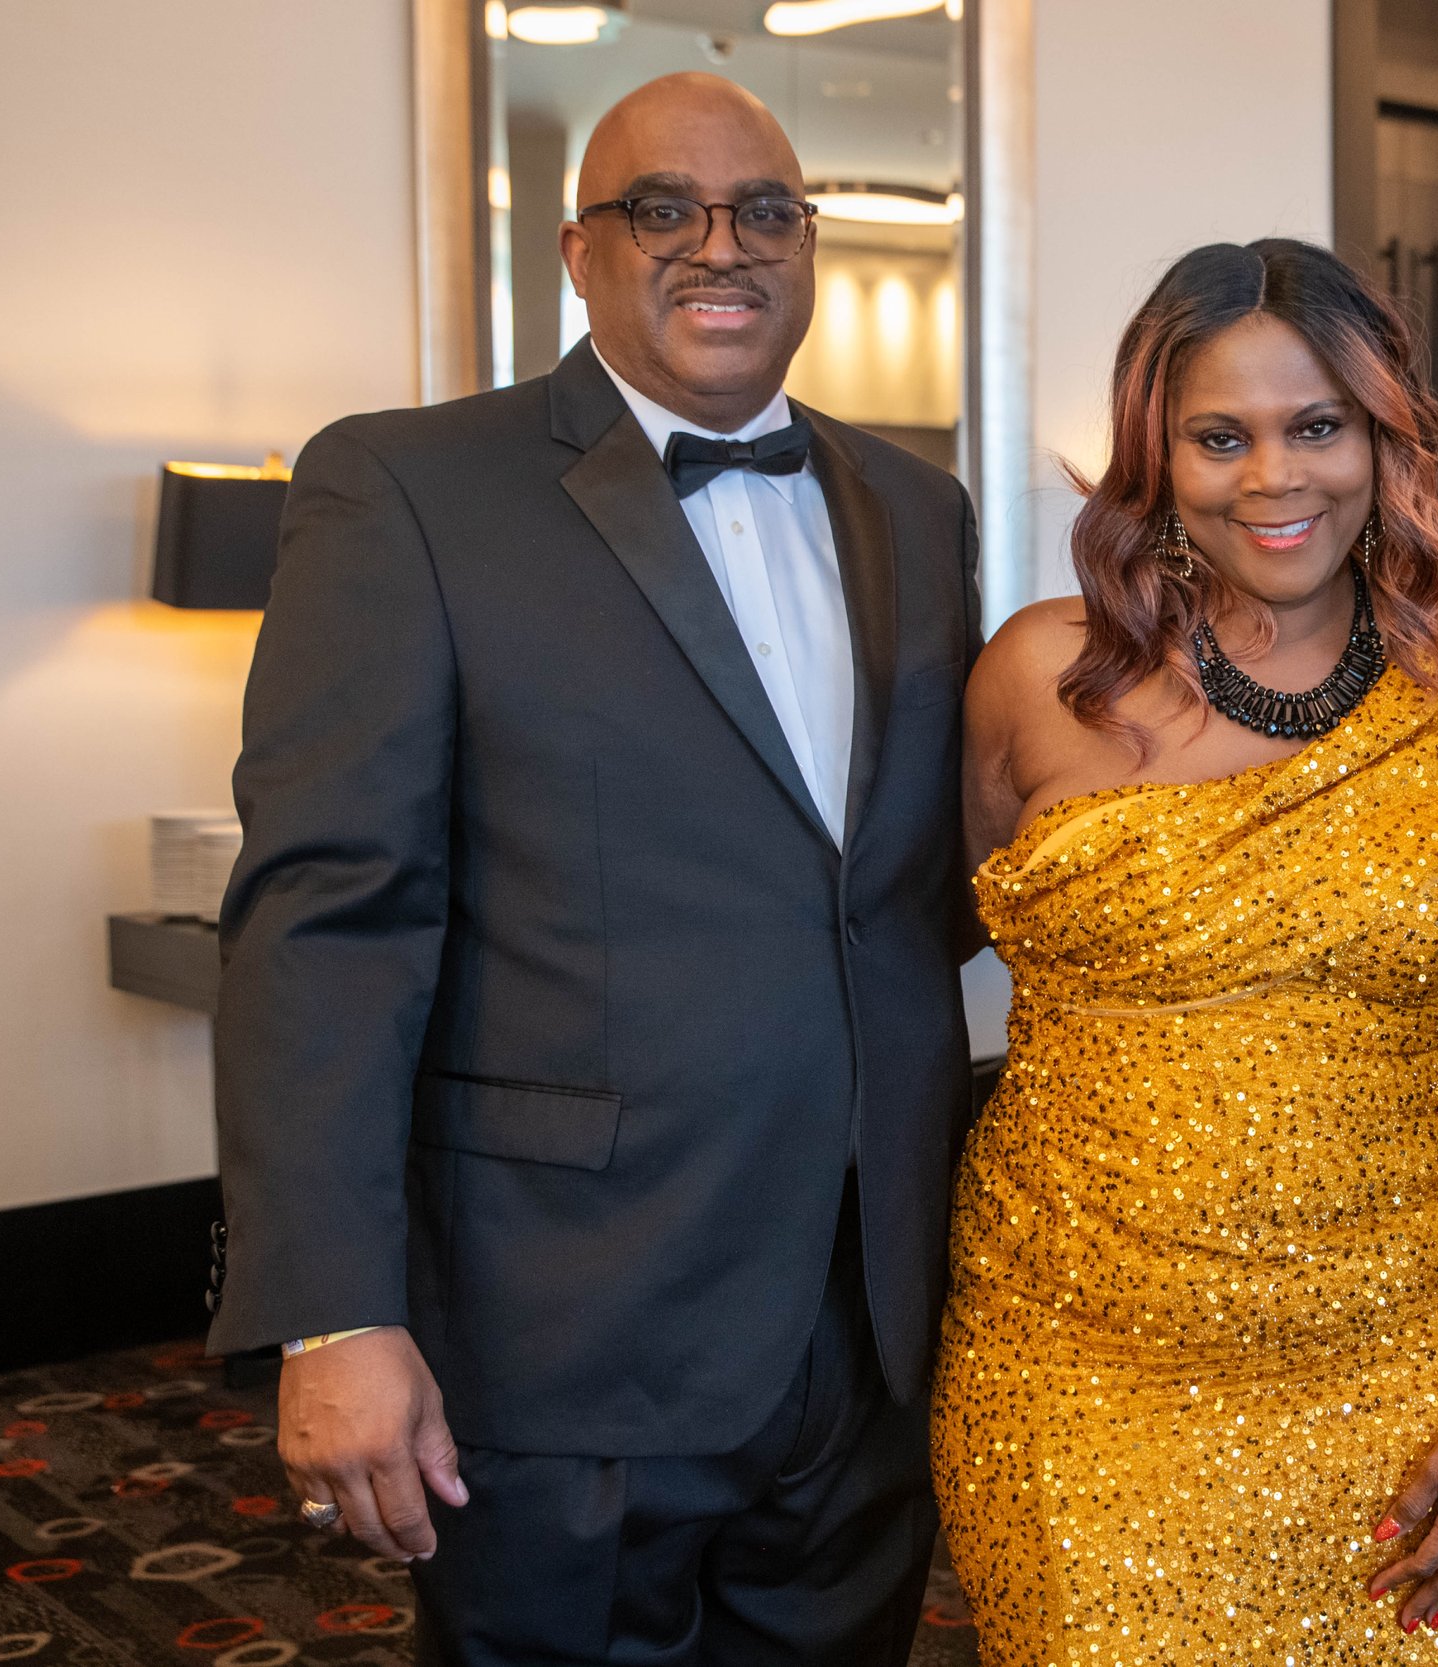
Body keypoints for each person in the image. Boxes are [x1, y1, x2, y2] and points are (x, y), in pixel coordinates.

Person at [206, 74, 980, 1665]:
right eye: (663, 208)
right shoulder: (405, 487)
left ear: (810, 243)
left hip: (870, 1318)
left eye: (766, 211)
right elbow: (326, 925)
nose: (722, 245)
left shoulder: (919, 507)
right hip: (566, 1320)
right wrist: (334, 1309)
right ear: (579, 251)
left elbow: (904, 891)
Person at [931, 238, 1438, 1661]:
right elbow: (941, 931)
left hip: (1405, 1375)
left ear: (1383, 439)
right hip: (1074, 1363)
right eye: (1220, 437)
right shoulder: (1038, 678)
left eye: (1317, 427)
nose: (1275, 478)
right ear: (1155, 457)